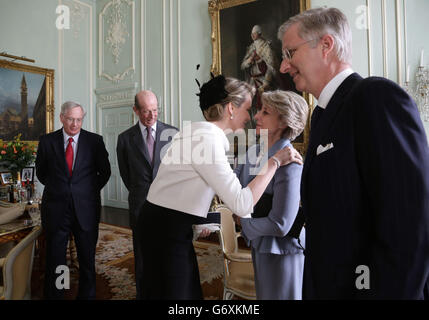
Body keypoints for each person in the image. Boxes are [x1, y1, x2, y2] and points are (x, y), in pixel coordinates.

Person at [278, 7, 429, 299]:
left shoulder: (376, 97)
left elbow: (410, 222)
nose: (284, 66)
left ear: (325, 45)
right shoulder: (321, 116)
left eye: (289, 53)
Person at [136, 75, 303, 299]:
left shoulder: (196, 132)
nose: (251, 116)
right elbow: (242, 204)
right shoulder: (208, 141)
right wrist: (274, 162)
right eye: (247, 108)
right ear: (231, 109)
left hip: (161, 223)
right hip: (166, 230)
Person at [233, 90, 308, 300]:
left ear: (284, 121)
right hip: (261, 245)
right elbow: (232, 188)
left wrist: (244, 223)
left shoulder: (291, 162)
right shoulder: (253, 152)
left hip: (283, 253)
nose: (256, 116)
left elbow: (281, 224)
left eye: (265, 112)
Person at [36, 101, 111, 299]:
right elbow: (42, 173)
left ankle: (86, 296)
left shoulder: (94, 141)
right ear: (61, 118)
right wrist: (60, 189)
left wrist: (85, 191)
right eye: (70, 119)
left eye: (79, 119)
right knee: (57, 259)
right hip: (56, 209)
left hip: (86, 208)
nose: (75, 124)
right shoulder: (47, 141)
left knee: (87, 258)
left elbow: (105, 172)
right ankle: (58, 295)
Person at [116, 90, 178, 299]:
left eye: (155, 110)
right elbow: (126, 175)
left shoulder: (173, 134)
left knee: (167, 253)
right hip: (140, 205)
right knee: (142, 255)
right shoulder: (125, 139)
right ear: (135, 110)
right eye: (146, 111)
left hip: (169, 206)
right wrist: (140, 192)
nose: (152, 115)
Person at [241, 25, 277, 112]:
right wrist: (250, 60)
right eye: (251, 34)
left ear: (259, 34)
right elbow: (243, 65)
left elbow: (271, 67)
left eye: (255, 33)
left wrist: (265, 84)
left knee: (263, 106)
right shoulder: (251, 47)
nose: (252, 35)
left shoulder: (266, 47)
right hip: (252, 81)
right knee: (248, 105)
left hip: (263, 81)